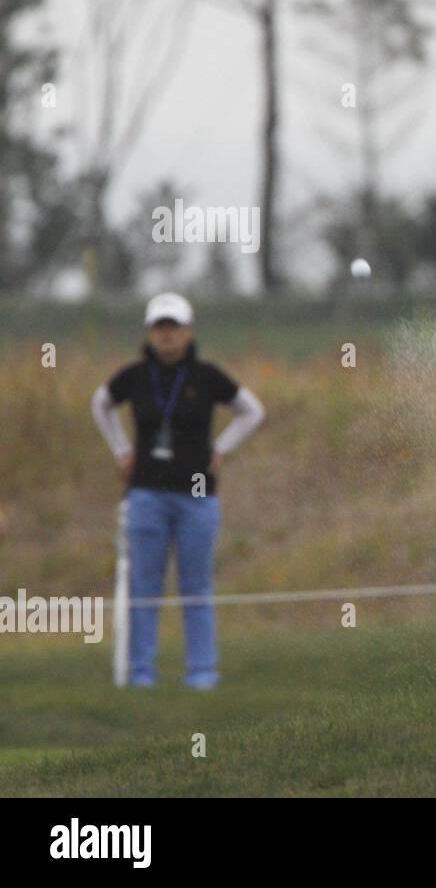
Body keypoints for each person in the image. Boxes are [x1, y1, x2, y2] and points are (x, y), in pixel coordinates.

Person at [91, 293, 265, 689]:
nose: (167, 335)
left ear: (188, 332)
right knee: (145, 585)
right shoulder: (134, 376)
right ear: (151, 332)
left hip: (197, 493)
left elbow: (252, 411)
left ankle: (202, 672)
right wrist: (121, 449)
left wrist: (221, 448)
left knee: (196, 585)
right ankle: (141, 672)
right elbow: (100, 404)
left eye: (174, 327)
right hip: (145, 492)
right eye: (160, 327)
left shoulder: (206, 376)